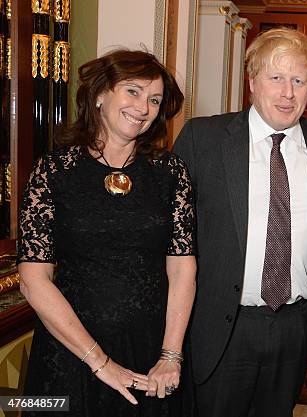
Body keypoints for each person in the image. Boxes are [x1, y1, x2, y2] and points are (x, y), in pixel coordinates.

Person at [172, 27, 307, 417]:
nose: (288, 93)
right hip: (222, 324)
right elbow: (169, 233)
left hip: (296, 324)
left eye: (299, 81)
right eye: (276, 78)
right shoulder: (204, 138)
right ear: (252, 82)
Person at [17, 49, 196, 416]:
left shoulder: (170, 173)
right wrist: (100, 363)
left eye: (154, 100)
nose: (143, 107)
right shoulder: (53, 173)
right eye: (133, 91)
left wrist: (171, 356)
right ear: (100, 94)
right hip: (69, 355)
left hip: (152, 357)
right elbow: (34, 281)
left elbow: (182, 270)